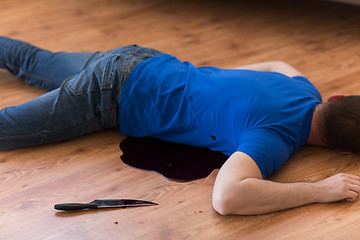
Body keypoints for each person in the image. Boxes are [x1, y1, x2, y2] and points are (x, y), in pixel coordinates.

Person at [0, 36, 359, 215]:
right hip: (111, 94)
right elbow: (226, 198)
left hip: (141, 59)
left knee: (30, 59)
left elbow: (276, 64)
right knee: (8, 128)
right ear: (341, 150)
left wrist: (221, 89)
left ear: (336, 99)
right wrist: (320, 189)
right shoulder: (275, 139)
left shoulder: (304, 87)